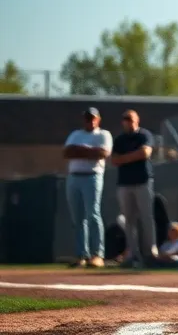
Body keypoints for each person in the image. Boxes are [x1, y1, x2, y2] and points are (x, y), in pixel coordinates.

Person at [63, 107, 112, 268]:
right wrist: (90, 151)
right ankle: (81, 255)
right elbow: (67, 152)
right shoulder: (75, 134)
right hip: (74, 177)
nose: (90, 121)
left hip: (92, 177)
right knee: (78, 218)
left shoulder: (103, 135)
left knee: (93, 214)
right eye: (87, 118)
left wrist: (80, 150)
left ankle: (98, 254)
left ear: (98, 119)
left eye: (93, 118)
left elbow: (103, 153)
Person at [112, 110, 157, 268]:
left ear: (137, 120)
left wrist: (125, 158)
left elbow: (145, 152)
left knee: (146, 217)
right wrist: (134, 156)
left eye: (130, 119)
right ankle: (132, 254)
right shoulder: (120, 139)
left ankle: (150, 253)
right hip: (124, 183)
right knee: (129, 220)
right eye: (125, 119)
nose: (127, 122)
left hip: (142, 182)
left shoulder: (144, 135)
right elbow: (114, 160)